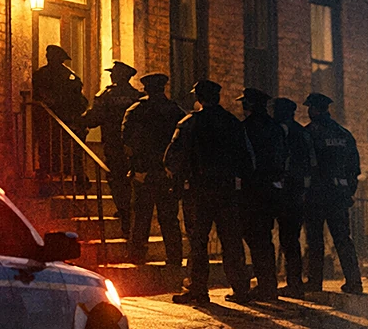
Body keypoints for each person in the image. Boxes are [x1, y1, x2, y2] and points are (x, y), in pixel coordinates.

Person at [164, 80, 253, 304]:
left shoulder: (189, 123)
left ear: (199, 98)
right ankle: (241, 288)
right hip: (226, 191)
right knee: (231, 241)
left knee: (197, 241)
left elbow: (172, 158)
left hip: (198, 191)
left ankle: (197, 289)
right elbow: (246, 159)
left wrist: (179, 180)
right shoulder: (233, 123)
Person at [121, 73, 187, 266]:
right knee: (169, 217)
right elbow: (182, 143)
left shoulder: (137, 110)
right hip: (166, 173)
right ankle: (174, 257)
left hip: (145, 172)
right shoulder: (175, 111)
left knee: (141, 215)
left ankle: (137, 254)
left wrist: (135, 166)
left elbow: (127, 140)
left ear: (146, 88)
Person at [303, 93, 364, 295]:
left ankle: (314, 281)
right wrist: (348, 192)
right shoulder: (343, 134)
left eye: (310, 108)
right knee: (343, 239)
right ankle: (354, 281)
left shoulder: (310, 134)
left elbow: (305, 165)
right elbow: (354, 168)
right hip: (338, 196)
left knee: (315, 241)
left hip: (316, 196)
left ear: (314, 109)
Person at [83, 61, 140, 239]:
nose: (111, 75)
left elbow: (94, 117)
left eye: (113, 73)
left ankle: (124, 213)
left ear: (119, 75)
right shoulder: (137, 96)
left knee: (116, 179)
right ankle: (132, 215)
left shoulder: (107, 95)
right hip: (134, 148)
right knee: (132, 181)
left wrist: (78, 121)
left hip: (114, 145)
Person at [239, 88, 284, 301]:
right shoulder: (276, 128)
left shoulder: (246, 128)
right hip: (272, 189)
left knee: (253, 236)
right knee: (265, 237)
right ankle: (269, 283)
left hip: (252, 190)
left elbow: (243, 160)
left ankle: (264, 284)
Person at [273, 98, 315, 297]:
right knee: (292, 238)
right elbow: (311, 163)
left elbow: (282, 160)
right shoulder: (303, 132)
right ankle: (294, 281)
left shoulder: (282, 131)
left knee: (287, 238)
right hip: (299, 191)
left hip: (286, 190)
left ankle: (293, 283)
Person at [31, 45, 90, 183]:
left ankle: (75, 172)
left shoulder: (68, 75)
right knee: (47, 144)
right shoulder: (43, 74)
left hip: (66, 118)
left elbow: (78, 98)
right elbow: (40, 94)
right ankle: (48, 170)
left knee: (70, 146)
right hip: (49, 117)